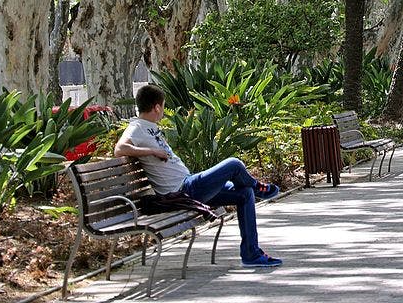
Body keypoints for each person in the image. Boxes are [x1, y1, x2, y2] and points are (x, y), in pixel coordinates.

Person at [114, 85, 283, 267]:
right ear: (157, 107)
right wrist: (152, 151)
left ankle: (251, 254)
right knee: (233, 164)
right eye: (163, 106)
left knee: (245, 193)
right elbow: (119, 149)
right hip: (182, 191)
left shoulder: (149, 127)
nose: (162, 110)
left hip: (188, 184)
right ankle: (260, 188)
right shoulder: (137, 127)